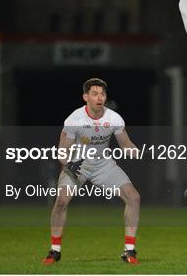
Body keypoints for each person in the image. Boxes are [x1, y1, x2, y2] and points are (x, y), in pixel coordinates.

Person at [43, 78, 141, 265]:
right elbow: (62, 150)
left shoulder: (114, 118)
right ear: (85, 97)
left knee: (133, 197)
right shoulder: (74, 119)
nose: (100, 97)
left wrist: (135, 150)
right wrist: (68, 165)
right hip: (78, 165)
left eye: (102, 94)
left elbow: (125, 143)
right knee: (61, 201)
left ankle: (129, 251)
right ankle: (54, 250)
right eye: (94, 94)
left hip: (103, 164)